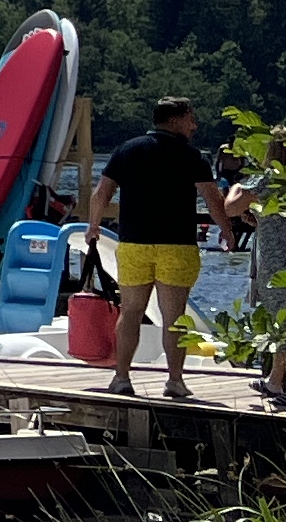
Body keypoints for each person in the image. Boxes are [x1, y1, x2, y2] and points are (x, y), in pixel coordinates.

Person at [86, 96, 225, 400]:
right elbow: (213, 200)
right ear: (175, 120)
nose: (194, 125)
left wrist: (93, 226)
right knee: (173, 317)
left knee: (130, 311)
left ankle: (121, 377)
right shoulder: (193, 157)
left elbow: (101, 194)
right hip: (177, 245)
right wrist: (226, 229)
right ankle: (174, 380)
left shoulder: (127, 150)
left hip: (134, 243)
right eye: (190, 118)